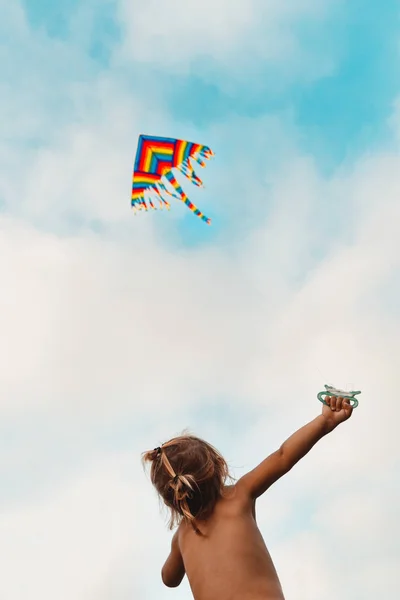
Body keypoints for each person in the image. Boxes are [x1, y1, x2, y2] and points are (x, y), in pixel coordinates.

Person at [142, 395, 354, 600]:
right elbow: (283, 456)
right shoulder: (238, 495)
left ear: (172, 500)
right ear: (218, 466)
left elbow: (168, 578)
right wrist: (325, 421)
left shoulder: (182, 537)